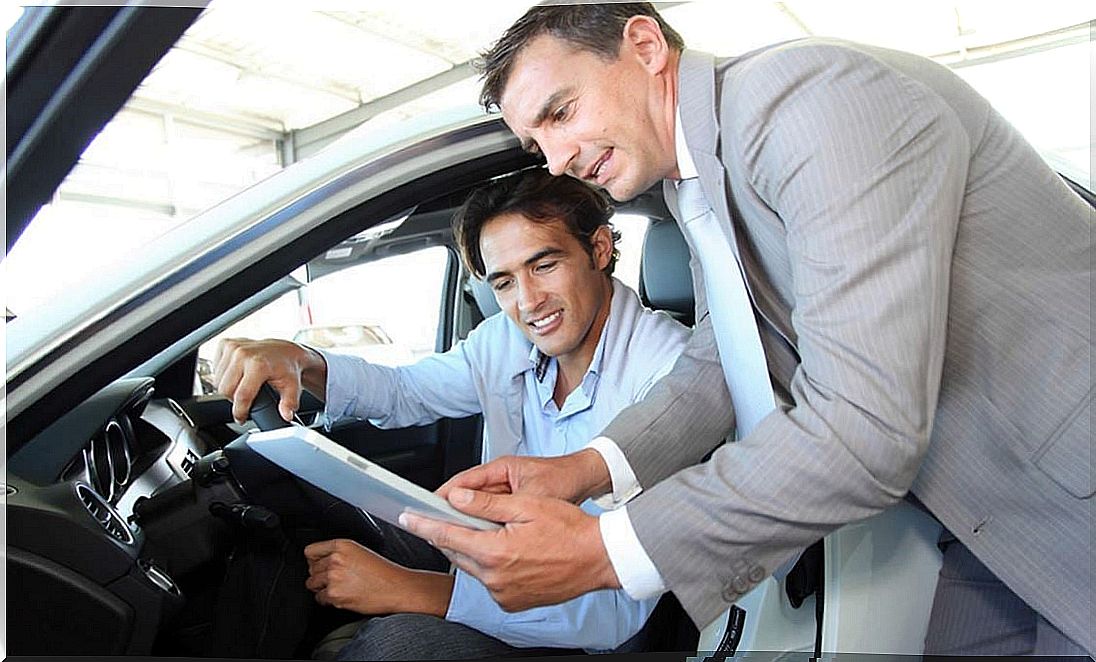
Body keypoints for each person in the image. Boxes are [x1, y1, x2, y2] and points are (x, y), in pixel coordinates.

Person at [397, 3, 1094, 657]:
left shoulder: (812, 106)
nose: (555, 158)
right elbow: (722, 357)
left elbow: (863, 425)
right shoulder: (695, 180)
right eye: (536, 139)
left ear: (643, 46)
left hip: (1071, 486)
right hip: (989, 511)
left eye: (561, 112)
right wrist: (582, 471)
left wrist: (606, 550)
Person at [213, 167, 692, 659]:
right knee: (287, 482)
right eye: (504, 282)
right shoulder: (508, 339)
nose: (527, 302)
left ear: (598, 249)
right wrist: (303, 360)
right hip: (495, 552)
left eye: (544, 265)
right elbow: (406, 392)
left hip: (587, 624)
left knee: (392, 647)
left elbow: (613, 608)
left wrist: (412, 589)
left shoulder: (672, 373)